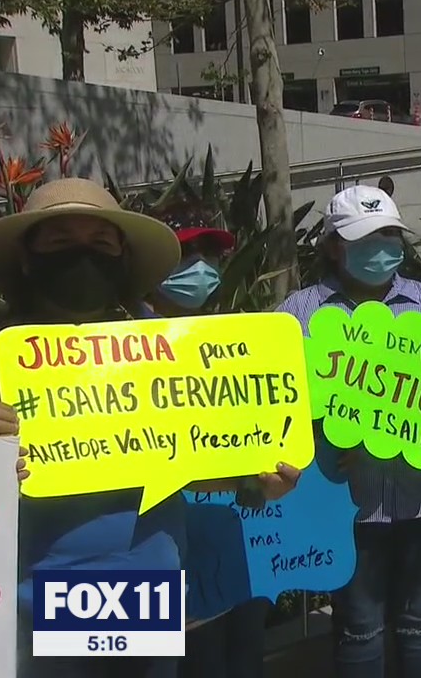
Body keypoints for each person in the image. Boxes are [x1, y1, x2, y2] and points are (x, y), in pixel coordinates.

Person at [0, 178, 300, 678]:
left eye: (100, 243)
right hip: (29, 605)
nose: (82, 256)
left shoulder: (166, 348)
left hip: (146, 591)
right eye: (61, 243)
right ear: (27, 256)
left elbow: (192, 457)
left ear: (122, 257)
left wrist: (257, 478)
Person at [276, 185, 421, 678]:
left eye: (389, 235)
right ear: (335, 244)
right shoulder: (300, 313)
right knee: (359, 633)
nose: (381, 247)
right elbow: (278, 402)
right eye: (366, 237)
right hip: (346, 507)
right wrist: (327, 437)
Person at [143, 205, 270, 678]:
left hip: (239, 560)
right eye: (185, 253)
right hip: (164, 572)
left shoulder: (243, 344)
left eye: (209, 254)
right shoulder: (113, 354)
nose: (200, 266)